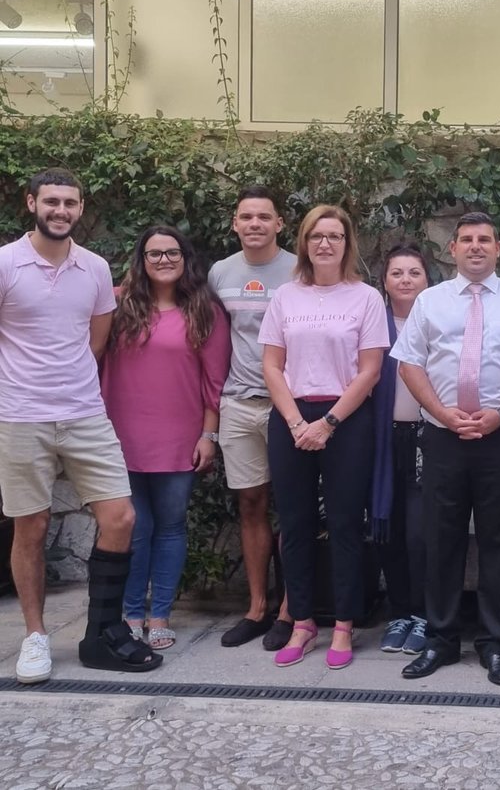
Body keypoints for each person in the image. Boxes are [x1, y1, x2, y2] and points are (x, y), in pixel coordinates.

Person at [0, 167, 160, 681]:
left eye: (70, 202)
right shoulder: (6, 265)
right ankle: (36, 637)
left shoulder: (93, 268)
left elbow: (95, 343)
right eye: (51, 201)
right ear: (31, 204)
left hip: (85, 412)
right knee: (33, 526)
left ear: (81, 208)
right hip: (21, 415)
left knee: (120, 518)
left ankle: (101, 634)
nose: (61, 211)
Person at [394, 212, 500, 686]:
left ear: (499, 248)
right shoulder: (430, 301)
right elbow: (409, 364)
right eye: (467, 240)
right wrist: (443, 414)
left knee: (496, 539)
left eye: (485, 239)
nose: (476, 247)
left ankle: (492, 642)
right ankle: (442, 639)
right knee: (440, 538)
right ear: (453, 249)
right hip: (443, 435)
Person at [259, 205, 389, 669]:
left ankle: (344, 625)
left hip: (346, 419)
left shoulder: (366, 298)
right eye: (316, 235)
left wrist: (328, 423)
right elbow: (272, 365)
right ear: (304, 242)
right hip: (292, 416)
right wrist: (297, 423)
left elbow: (370, 370)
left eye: (334, 236)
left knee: (346, 524)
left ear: (346, 243)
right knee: (293, 526)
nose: (325, 244)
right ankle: (302, 621)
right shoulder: (285, 297)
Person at [101, 226, 231, 651]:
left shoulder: (204, 310)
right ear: (141, 259)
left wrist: (208, 434)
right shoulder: (117, 303)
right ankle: (132, 613)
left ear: (184, 258)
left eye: (171, 252)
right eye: (154, 254)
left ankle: (160, 615)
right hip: (120, 435)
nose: (163, 260)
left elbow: (215, 380)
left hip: (181, 436)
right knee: (134, 528)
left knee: (171, 527)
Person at [208, 185, 298, 651]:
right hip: (238, 403)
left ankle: (289, 610)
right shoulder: (221, 271)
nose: (256, 224)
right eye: (247, 217)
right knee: (250, 505)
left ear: (279, 224)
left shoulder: (299, 269)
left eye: (265, 216)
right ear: (235, 223)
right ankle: (257, 608)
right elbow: (208, 336)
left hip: (288, 405)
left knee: (293, 507)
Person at [373, 246, 434, 656]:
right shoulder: (373, 323)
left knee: (420, 532)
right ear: (385, 281)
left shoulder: (437, 321)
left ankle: (426, 614)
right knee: (387, 528)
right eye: (397, 272)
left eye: (415, 272)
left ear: (428, 280)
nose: (406, 279)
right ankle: (399, 612)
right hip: (381, 439)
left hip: (427, 437)